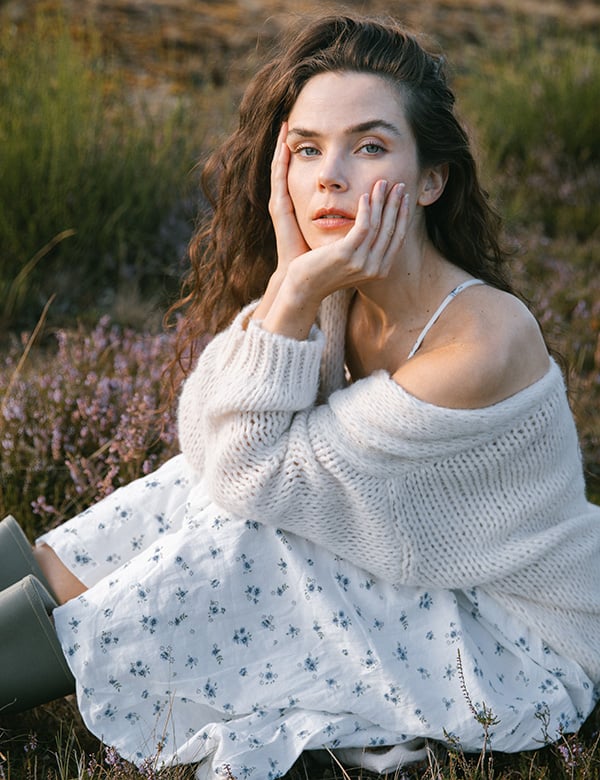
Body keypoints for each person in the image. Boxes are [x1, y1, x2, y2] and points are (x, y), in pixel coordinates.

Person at [1, 12, 599, 779]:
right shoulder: (348, 289)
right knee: (189, 487)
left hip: (513, 640)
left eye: (370, 146)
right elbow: (207, 444)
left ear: (431, 181)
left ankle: (53, 649)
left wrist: (297, 289)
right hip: (422, 575)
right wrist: (299, 278)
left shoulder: (478, 344)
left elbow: (253, 478)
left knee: (254, 533)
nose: (330, 175)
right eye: (308, 149)